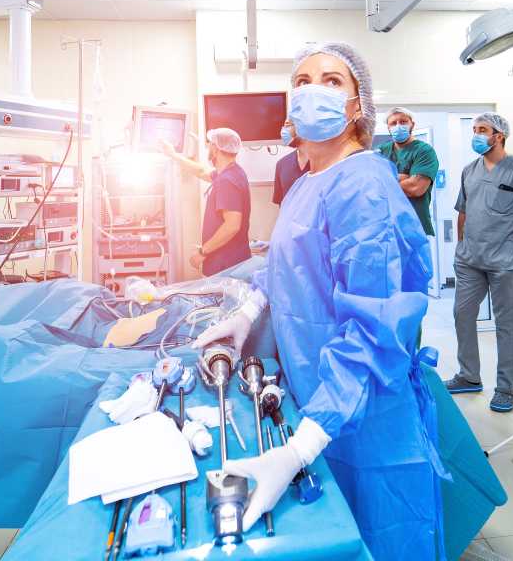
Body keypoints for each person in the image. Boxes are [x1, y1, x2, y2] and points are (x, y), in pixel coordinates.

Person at [193, 42, 446, 561]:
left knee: (377, 542)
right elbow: (288, 266)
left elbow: (374, 331)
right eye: (303, 80)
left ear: (358, 107)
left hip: (364, 422)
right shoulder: (311, 182)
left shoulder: (365, 185)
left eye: (332, 81)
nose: (313, 90)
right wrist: (246, 314)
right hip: (321, 403)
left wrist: (299, 449)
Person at [444, 113, 513, 413]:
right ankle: (468, 375)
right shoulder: (469, 170)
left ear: (499, 135)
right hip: (470, 261)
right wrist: (462, 247)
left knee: (506, 324)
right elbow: (462, 211)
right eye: (474, 129)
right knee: (462, 315)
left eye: (482, 130)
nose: (476, 134)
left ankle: (505, 388)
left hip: (503, 262)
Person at [161, 127, 251, 276]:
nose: (207, 147)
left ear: (215, 148)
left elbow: (232, 226)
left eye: (209, 143)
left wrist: (203, 252)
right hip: (229, 260)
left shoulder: (227, 181)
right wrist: (173, 155)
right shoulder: (233, 172)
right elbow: (201, 171)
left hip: (226, 264)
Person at [376, 106, 440, 237]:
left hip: (414, 226)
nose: (398, 126)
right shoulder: (382, 150)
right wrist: (404, 177)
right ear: (388, 127)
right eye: (393, 123)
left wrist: (385, 180)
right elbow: (369, 182)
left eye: (403, 122)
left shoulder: (424, 151)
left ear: (412, 124)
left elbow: (416, 187)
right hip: (386, 227)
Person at [271, 120, 309, 205]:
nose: (284, 130)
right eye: (284, 126)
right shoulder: (282, 164)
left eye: (288, 125)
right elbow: (281, 203)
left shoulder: (323, 163)